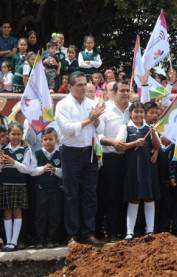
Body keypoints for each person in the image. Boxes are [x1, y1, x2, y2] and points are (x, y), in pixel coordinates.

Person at [54, 71, 105, 245]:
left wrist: (96, 120)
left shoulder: (92, 103)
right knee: (71, 194)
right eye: (79, 85)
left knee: (90, 194)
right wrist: (89, 120)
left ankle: (88, 233)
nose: (83, 88)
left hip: (90, 152)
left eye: (85, 84)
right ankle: (72, 235)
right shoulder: (63, 105)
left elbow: (101, 128)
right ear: (70, 87)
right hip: (71, 152)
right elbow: (67, 129)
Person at [116, 102, 160, 240]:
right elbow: (119, 146)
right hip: (132, 168)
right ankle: (130, 232)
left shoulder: (149, 128)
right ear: (131, 113)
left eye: (141, 112)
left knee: (149, 197)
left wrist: (153, 133)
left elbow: (157, 146)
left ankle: (150, 230)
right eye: (136, 112)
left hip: (148, 168)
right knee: (133, 198)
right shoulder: (125, 128)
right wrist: (134, 143)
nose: (139, 115)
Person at [98, 81, 130, 240]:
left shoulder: (132, 109)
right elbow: (98, 136)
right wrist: (113, 143)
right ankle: (111, 232)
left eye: (127, 90)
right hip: (110, 158)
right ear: (114, 93)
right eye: (122, 91)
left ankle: (127, 231)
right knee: (111, 196)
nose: (125, 93)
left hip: (129, 158)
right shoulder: (106, 110)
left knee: (128, 194)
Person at [0, 122, 33, 251]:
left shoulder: (26, 150)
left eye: (18, 134)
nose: (15, 136)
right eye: (13, 134)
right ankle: (8, 241)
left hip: (19, 184)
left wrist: (13, 162)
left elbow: (27, 169)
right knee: (7, 212)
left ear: (22, 135)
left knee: (17, 211)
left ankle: (14, 241)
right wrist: (1, 161)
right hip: (5, 184)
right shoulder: (3, 149)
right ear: (8, 135)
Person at [32, 128, 63, 248]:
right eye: (45, 139)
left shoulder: (60, 154)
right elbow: (32, 171)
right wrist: (42, 169)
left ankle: (51, 239)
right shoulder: (37, 153)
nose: (48, 142)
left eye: (51, 139)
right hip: (41, 189)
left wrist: (55, 170)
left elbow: (64, 173)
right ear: (41, 141)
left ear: (56, 140)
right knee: (40, 215)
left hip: (56, 189)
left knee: (54, 215)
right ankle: (40, 240)